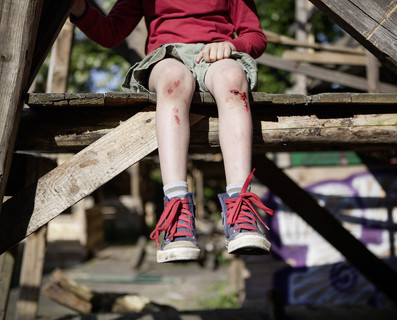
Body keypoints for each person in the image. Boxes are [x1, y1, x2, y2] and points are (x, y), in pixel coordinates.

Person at [70, 0, 274, 263]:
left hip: (217, 57)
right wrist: (80, 10)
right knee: (173, 82)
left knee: (233, 80)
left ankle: (240, 205)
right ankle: (176, 208)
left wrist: (233, 46)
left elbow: (255, 36)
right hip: (168, 57)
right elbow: (112, 32)